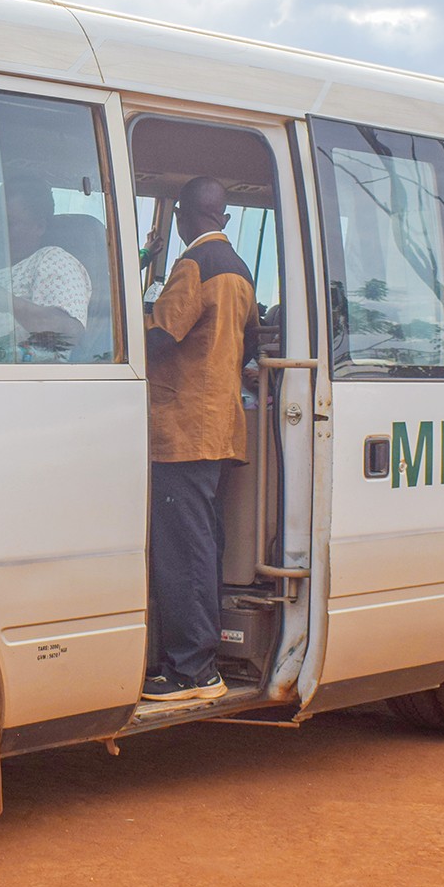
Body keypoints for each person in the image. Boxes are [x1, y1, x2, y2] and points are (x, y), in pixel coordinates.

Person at [142, 176, 260, 702]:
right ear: (225, 219)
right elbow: (250, 344)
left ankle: (191, 670)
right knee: (204, 547)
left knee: (182, 552)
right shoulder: (240, 268)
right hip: (220, 427)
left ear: (181, 217)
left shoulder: (193, 265)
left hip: (181, 428)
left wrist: (130, 316)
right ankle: (201, 659)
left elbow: (161, 337)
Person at [0, 182, 91, 359]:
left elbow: (69, 334)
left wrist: (7, 302)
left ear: (39, 227)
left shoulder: (51, 260)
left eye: (8, 223)